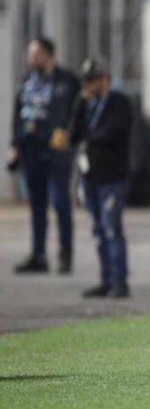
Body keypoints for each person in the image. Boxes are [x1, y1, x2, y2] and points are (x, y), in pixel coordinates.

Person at [7, 37, 80, 274]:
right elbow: (17, 114)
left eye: (35, 54)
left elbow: (78, 112)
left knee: (60, 202)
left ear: (48, 56)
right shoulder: (26, 81)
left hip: (57, 150)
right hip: (31, 149)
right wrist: (14, 145)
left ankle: (65, 254)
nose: (30, 58)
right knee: (36, 204)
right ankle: (38, 256)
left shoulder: (67, 81)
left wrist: (70, 136)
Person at [69, 58, 133, 298]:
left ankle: (119, 281)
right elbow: (73, 136)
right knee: (98, 230)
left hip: (112, 177)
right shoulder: (88, 104)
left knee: (111, 228)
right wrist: (80, 103)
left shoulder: (119, 102)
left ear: (103, 78)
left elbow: (113, 133)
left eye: (90, 80)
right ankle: (106, 280)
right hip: (91, 176)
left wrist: (90, 139)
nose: (86, 85)